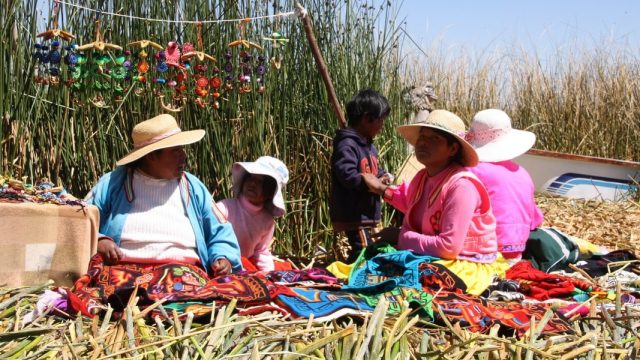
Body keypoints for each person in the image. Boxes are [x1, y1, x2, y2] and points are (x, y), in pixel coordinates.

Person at [362, 109, 508, 295]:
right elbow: (415, 205)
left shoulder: (461, 186)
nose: (423, 142)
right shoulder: (424, 177)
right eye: (422, 136)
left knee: (407, 281)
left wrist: (401, 237)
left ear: (453, 149)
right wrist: (381, 188)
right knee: (372, 263)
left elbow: (449, 247)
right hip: (435, 255)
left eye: (434, 139)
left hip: (466, 262)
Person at [86, 113, 242, 276]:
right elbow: (82, 221)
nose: (184, 156)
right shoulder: (113, 183)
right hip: (124, 272)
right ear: (152, 155)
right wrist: (99, 240)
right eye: (175, 150)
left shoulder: (192, 186)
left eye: (182, 149)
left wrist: (223, 257)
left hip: (183, 274)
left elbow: (220, 230)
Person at [465, 109, 544, 262]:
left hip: (482, 251)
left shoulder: (472, 170)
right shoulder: (522, 173)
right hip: (516, 252)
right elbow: (535, 219)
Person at [330, 89, 393, 263]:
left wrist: (383, 176)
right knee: (364, 252)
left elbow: (374, 170)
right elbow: (346, 174)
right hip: (355, 214)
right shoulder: (347, 144)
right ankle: (357, 278)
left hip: (366, 213)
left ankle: (352, 270)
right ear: (367, 118)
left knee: (368, 248)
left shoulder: (369, 146)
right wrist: (369, 183)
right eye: (381, 120)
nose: (382, 125)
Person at [216, 156, 289, 272]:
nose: (253, 183)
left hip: (243, 266)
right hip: (220, 263)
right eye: (250, 177)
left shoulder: (267, 221)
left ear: (270, 192)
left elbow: (261, 251)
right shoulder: (224, 208)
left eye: (260, 182)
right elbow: (211, 239)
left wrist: (269, 275)